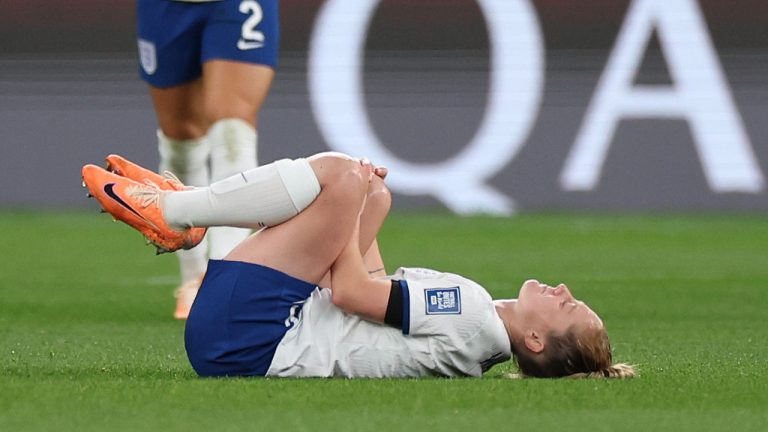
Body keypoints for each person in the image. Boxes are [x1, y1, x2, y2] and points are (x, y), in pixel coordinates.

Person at [81, 153, 635, 378]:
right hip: (245, 340)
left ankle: (176, 212)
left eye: (567, 306)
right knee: (366, 193)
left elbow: (347, 292)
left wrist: (347, 203)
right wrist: (364, 208)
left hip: (249, 338)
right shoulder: (479, 332)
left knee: (343, 177)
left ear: (536, 340)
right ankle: (185, 209)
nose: (563, 289)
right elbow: (367, 284)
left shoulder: (472, 314)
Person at [134, 0, 279, 318]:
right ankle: (191, 276)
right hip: (167, 7)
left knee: (233, 133)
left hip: (239, 5)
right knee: (180, 143)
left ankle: (223, 279)